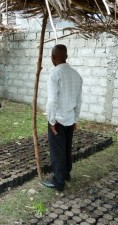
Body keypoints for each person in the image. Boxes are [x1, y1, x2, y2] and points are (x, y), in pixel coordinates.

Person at [42, 44, 83, 191]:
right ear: (66, 57)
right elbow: (79, 100)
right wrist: (75, 119)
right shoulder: (76, 75)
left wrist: (52, 121)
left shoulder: (55, 75)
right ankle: (66, 173)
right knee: (66, 148)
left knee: (57, 150)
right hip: (70, 119)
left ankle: (58, 181)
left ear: (53, 58)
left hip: (58, 120)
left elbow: (52, 101)